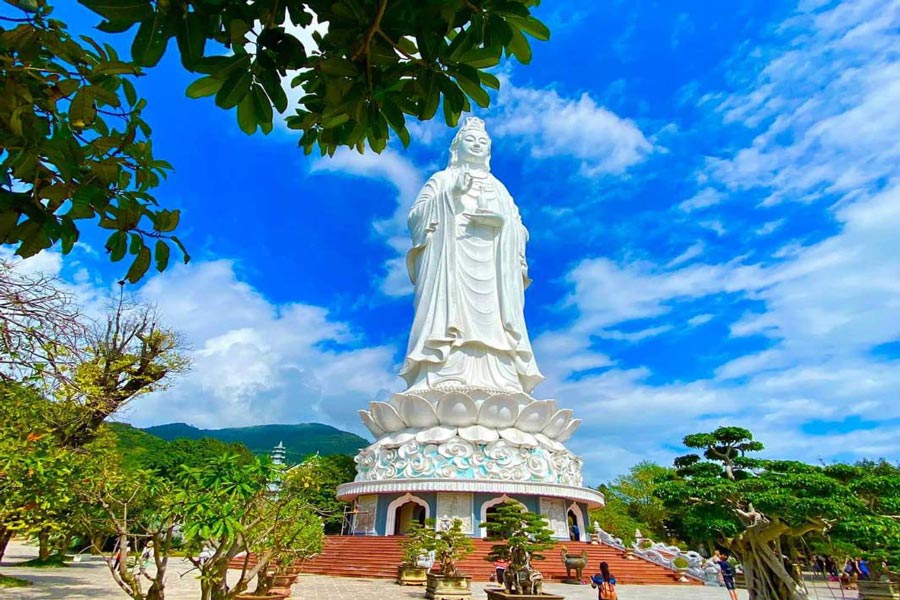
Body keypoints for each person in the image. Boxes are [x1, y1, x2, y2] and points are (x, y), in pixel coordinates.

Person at [401, 117, 543, 394]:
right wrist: (449, 195)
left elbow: (519, 228)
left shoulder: (499, 188)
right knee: (450, 315)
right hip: (451, 261)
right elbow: (415, 218)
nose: (477, 145)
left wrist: (503, 223)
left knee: (495, 322)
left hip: (493, 269)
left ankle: (502, 376)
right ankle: (445, 371)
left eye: (483, 142)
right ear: (456, 148)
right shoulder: (441, 180)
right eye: (470, 139)